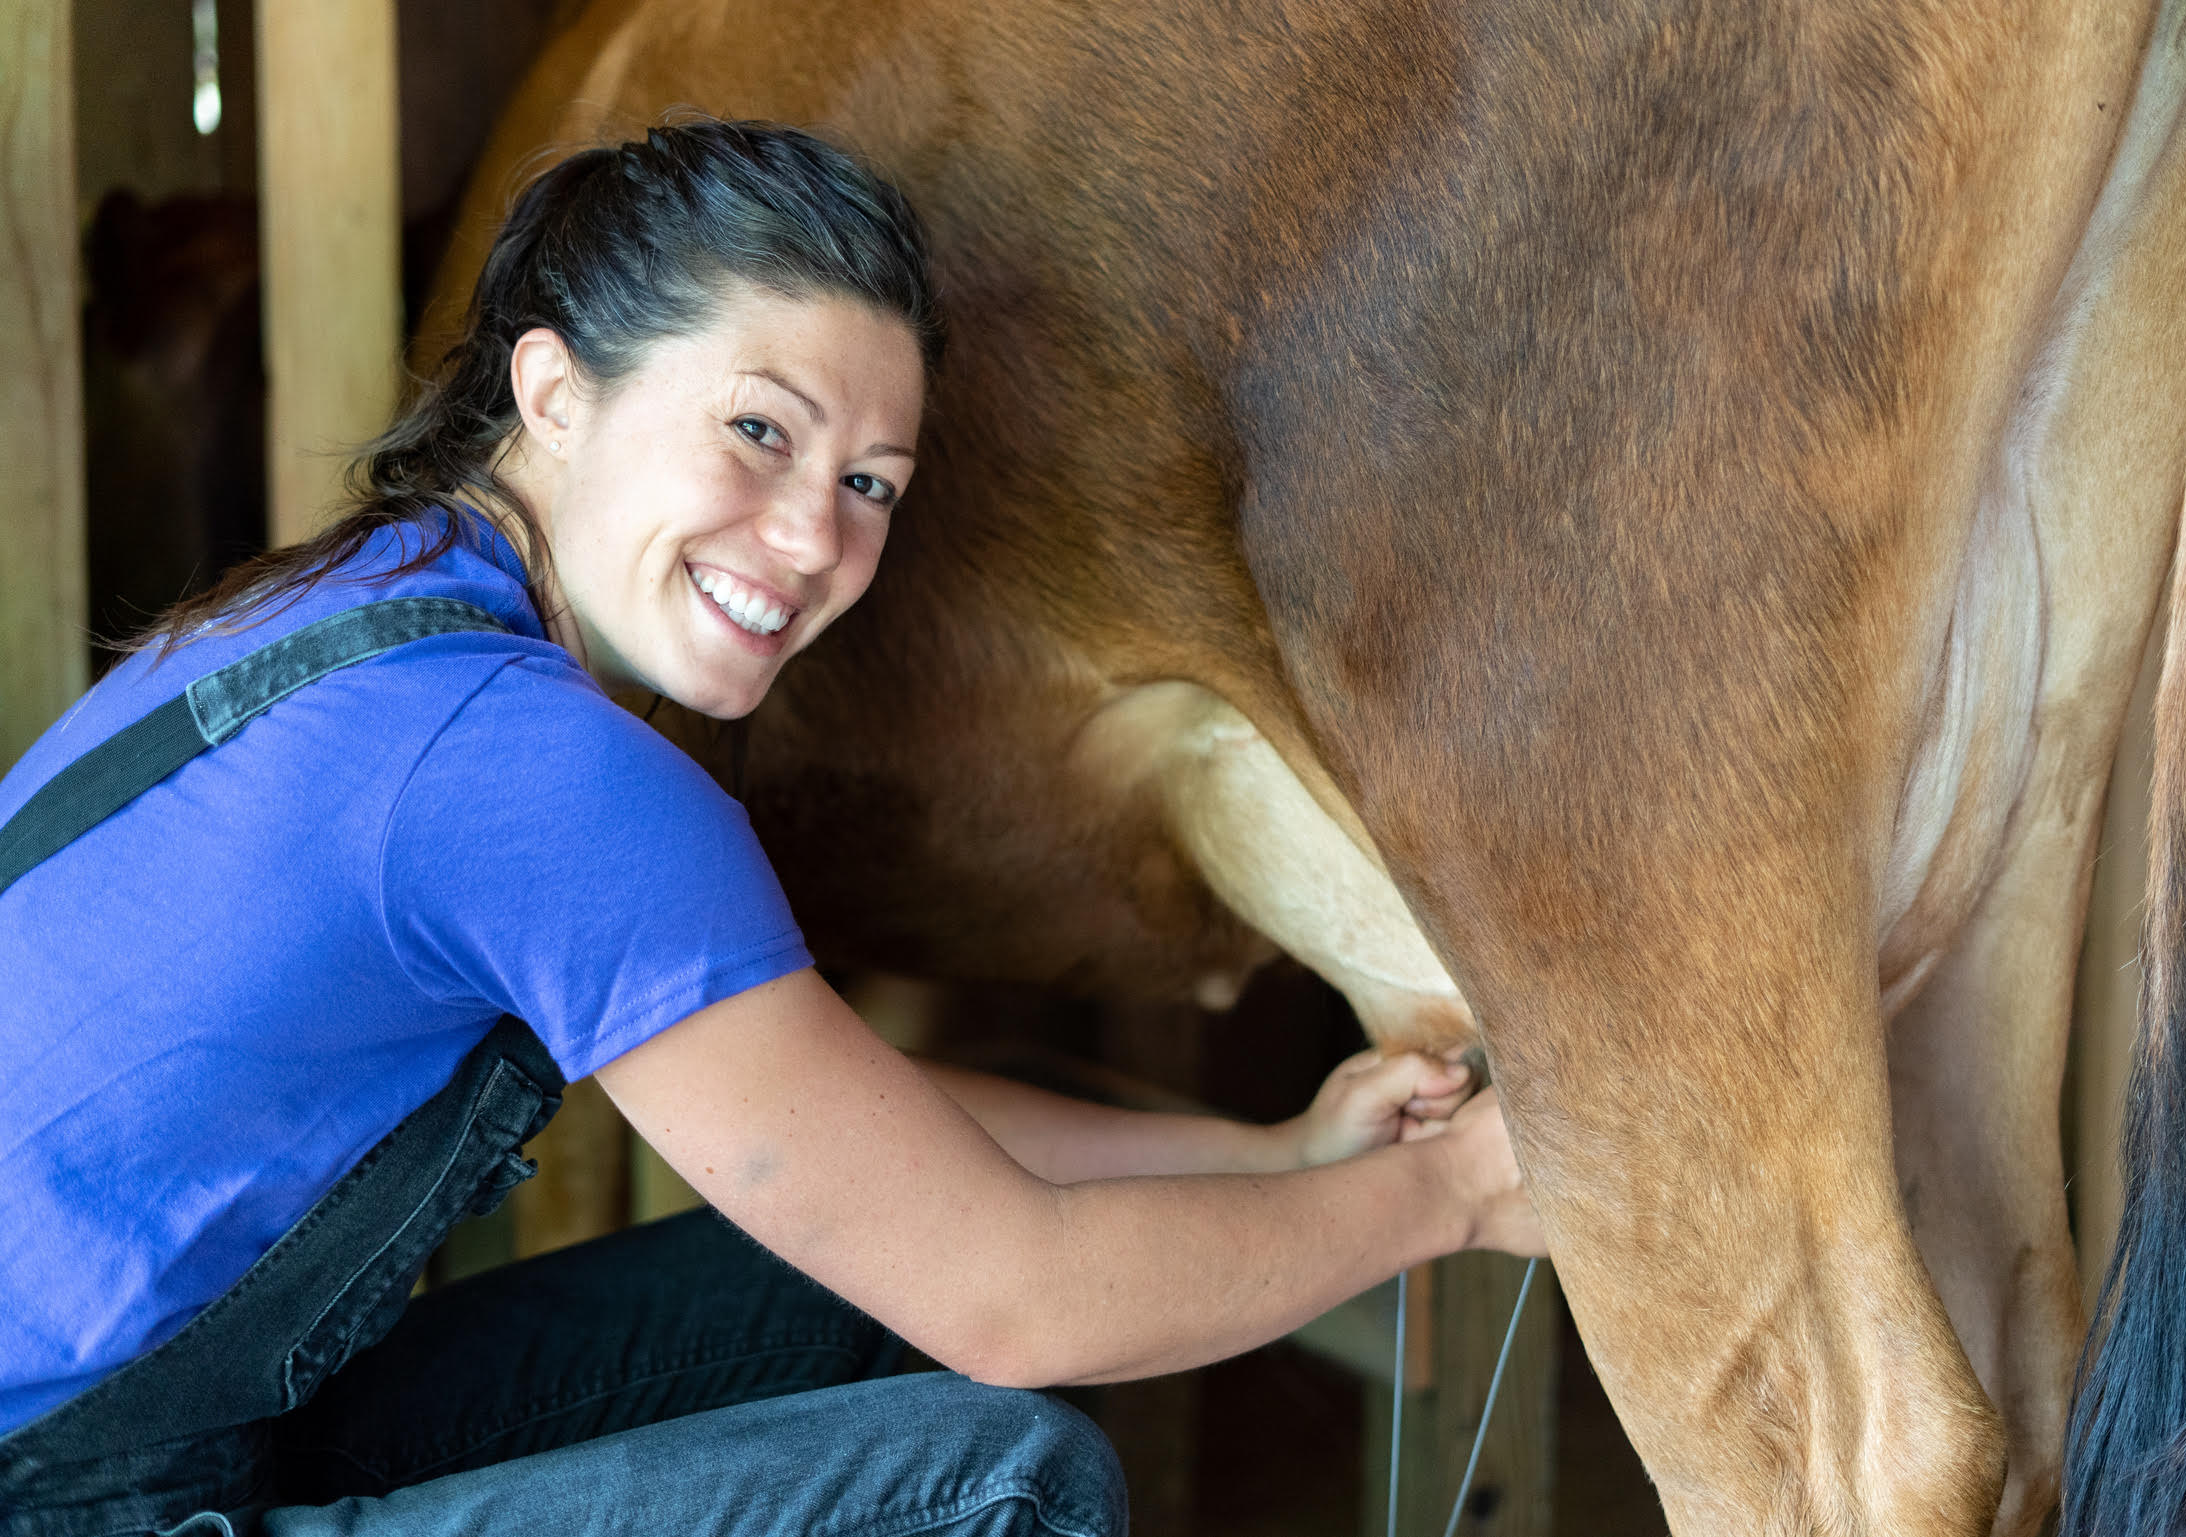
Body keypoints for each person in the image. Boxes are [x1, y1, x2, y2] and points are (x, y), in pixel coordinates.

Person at [0, 121, 1545, 1537]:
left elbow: (838, 1121)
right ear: (554, 389)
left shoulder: (355, 603)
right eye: (757, 430)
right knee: (1002, 1484)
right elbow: (1015, 1300)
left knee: (844, 1287)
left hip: (165, 1422)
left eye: (870, 481)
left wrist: (1275, 1154)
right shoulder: (530, 767)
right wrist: (1453, 1193)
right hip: (71, 1497)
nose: (817, 538)